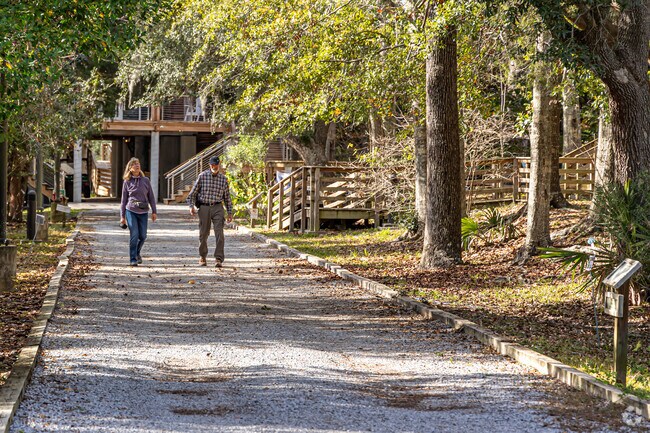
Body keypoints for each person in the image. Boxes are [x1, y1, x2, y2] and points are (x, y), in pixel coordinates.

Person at [187, 155, 233, 267]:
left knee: (219, 233)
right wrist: (191, 206)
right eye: (212, 164)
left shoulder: (223, 179)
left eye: (216, 165)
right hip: (204, 207)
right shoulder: (202, 176)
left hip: (217, 207)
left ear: (219, 165)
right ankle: (202, 256)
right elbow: (192, 193)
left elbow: (227, 197)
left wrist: (230, 212)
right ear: (209, 165)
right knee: (203, 233)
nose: (214, 166)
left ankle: (218, 258)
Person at [120, 158, 157, 266]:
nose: (137, 165)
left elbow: (151, 197)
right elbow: (123, 200)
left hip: (143, 212)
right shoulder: (127, 182)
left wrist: (154, 211)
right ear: (130, 168)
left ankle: (137, 253)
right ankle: (132, 258)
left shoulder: (145, 180)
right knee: (134, 235)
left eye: (138, 164)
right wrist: (122, 216)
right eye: (134, 164)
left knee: (143, 236)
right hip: (131, 210)